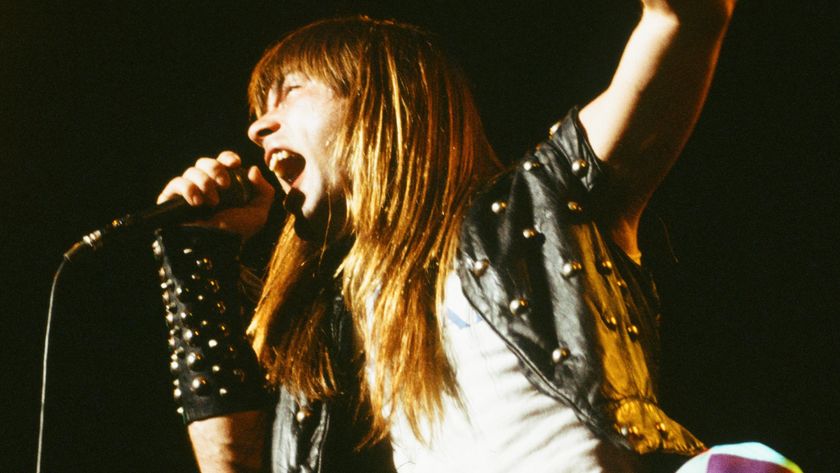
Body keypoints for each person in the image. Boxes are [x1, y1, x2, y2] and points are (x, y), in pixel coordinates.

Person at [153, 2, 739, 472]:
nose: (259, 126)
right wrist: (194, 261)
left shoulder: (536, 209)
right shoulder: (324, 324)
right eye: (260, 109)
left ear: (383, 101)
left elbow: (684, 21)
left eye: (290, 92)